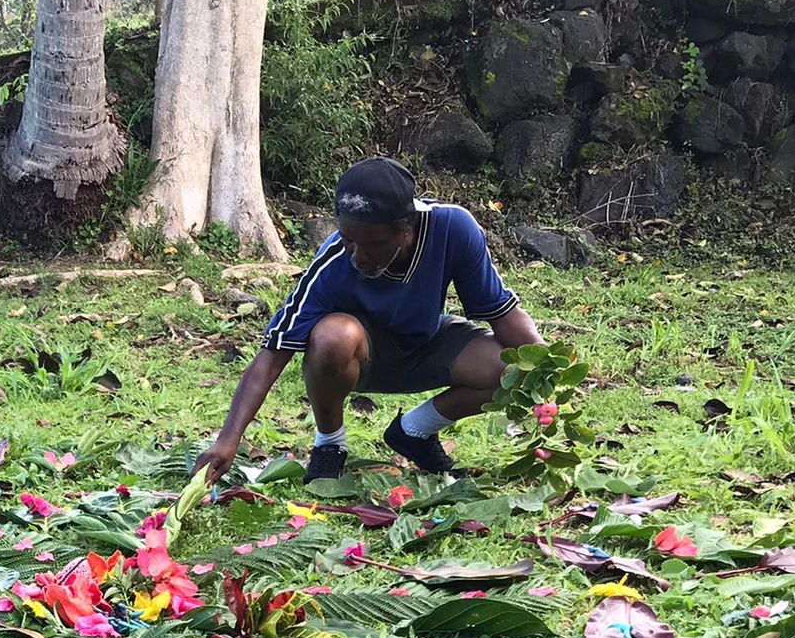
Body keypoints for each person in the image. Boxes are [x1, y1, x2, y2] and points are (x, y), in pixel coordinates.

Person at [199, 156, 545, 485]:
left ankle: (413, 432)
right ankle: (330, 443)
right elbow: (272, 355)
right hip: (361, 357)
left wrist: (549, 368)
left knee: (510, 368)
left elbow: (501, 312)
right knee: (333, 336)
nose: (358, 255)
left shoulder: (453, 229)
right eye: (348, 240)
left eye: (374, 245)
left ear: (406, 229)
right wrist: (227, 439)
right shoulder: (333, 262)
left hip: (426, 341)